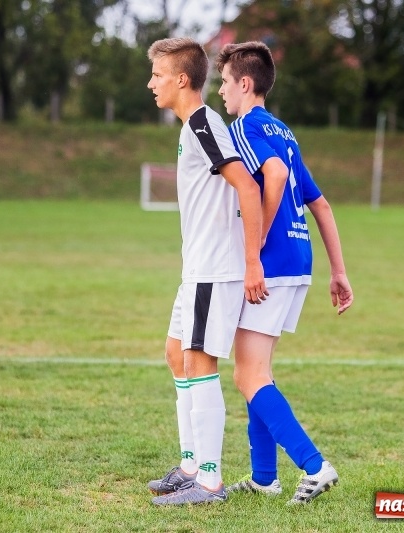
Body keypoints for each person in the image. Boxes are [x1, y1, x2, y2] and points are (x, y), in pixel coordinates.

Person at [215, 41, 354, 504]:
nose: (221, 91)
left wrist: (255, 248)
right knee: (256, 372)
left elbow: (272, 176)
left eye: (224, 82)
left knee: (248, 375)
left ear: (245, 84)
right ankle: (264, 478)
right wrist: (339, 271)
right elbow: (321, 204)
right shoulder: (284, 130)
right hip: (300, 258)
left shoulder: (243, 127)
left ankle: (315, 466)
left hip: (271, 263)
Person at [144, 37, 268, 506]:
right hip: (197, 268)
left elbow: (248, 188)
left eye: (157, 75)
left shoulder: (202, 123)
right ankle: (191, 466)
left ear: (181, 79)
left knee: (199, 361)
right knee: (176, 354)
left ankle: (210, 481)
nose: (151, 83)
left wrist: (252, 260)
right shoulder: (191, 127)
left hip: (215, 269)